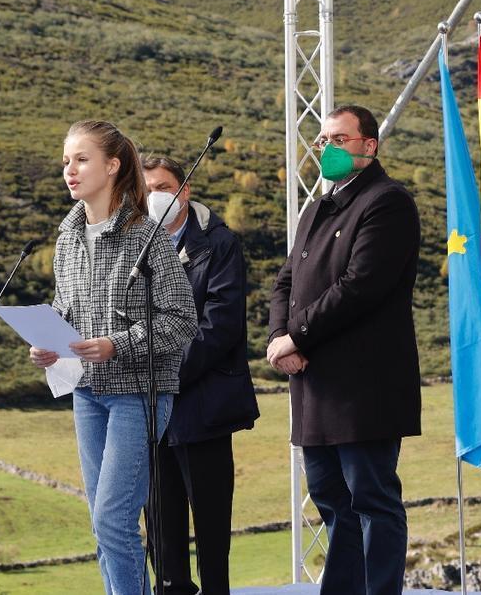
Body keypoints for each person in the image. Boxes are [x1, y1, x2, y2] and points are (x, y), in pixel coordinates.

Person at [29, 120, 198, 595]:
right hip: (86, 393)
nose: (70, 170)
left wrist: (116, 344)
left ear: (112, 165)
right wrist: (47, 342)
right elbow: (66, 308)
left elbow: (183, 321)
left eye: (81, 159)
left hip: (138, 395)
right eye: (66, 161)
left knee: (113, 521)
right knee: (102, 525)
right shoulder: (67, 239)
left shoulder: (148, 237)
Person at [267, 105, 421, 595]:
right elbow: (286, 281)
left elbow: (361, 287)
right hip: (314, 385)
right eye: (322, 140)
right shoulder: (319, 205)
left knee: (372, 499)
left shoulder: (387, 201)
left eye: (338, 139)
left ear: (368, 146)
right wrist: (277, 339)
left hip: (364, 387)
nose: (326, 149)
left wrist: (298, 336)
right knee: (331, 499)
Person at [141, 156, 260, 595]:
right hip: (151, 412)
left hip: (202, 405)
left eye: (163, 186)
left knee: (211, 524)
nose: (154, 196)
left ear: (184, 190)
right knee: (160, 524)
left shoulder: (219, 243)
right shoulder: (138, 245)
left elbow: (221, 325)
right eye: (147, 187)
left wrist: (166, 373)